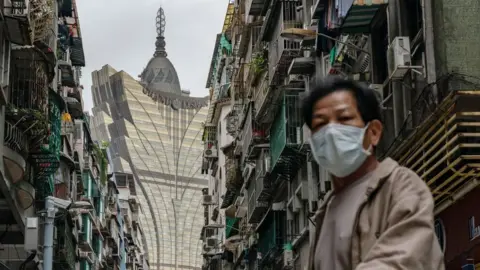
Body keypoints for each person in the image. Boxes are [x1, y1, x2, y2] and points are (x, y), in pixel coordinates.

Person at [303, 77, 445, 270]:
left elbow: (402, 261)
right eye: (320, 124)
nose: (331, 131)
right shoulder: (324, 212)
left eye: (344, 119)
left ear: (374, 132)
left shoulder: (401, 186)